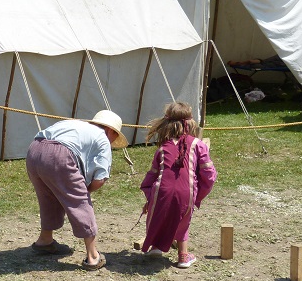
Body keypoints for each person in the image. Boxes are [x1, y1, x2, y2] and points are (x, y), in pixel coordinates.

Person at [26, 110, 128, 271]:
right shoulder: (102, 137)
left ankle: (45, 240)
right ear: (111, 131)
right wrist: (83, 192)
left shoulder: (74, 125)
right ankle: (93, 256)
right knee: (80, 202)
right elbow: (100, 179)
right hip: (59, 155)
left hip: (34, 150)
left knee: (48, 197)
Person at [139, 102, 217, 268]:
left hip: (161, 191)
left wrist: (150, 197)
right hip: (186, 191)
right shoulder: (198, 145)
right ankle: (183, 256)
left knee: (159, 214)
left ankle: (156, 247)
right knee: (183, 220)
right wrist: (198, 195)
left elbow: (152, 175)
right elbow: (209, 175)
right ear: (190, 123)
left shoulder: (162, 148)